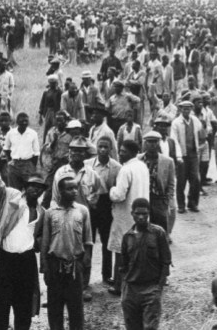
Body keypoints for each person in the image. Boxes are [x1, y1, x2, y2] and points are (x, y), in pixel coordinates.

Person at [0, 154, 46, 330]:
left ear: (43, 191)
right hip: (6, 259)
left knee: (24, 305)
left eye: (39, 188)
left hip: (26, 262)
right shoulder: (12, 197)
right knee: (1, 304)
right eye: (31, 186)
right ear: (25, 187)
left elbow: (40, 238)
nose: (35, 190)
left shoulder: (42, 212)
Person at [41, 175, 93, 330]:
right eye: (70, 188)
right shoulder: (50, 213)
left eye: (76, 188)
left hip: (75, 265)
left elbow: (88, 239)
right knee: (55, 306)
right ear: (60, 190)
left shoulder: (82, 211)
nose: (74, 192)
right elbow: (45, 242)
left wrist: (85, 263)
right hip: (55, 264)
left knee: (76, 307)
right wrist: (44, 266)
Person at [51, 137, 100, 301]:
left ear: (85, 153)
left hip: (84, 217)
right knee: (63, 248)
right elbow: (54, 196)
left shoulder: (91, 173)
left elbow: (97, 190)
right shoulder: (61, 172)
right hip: (64, 215)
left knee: (85, 249)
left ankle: (83, 286)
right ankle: (62, 286)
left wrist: (92, 200)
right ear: (69, 152)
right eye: (73, 150)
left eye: (80, 150)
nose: (76, 154)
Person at [120, 197, 171, 330]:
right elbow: (123, 265)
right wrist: (125, 289)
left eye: (145, 214)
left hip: (151, 289)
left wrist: (158, 288)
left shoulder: (158, 233)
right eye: (138, 214)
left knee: (150, 327)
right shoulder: (127, 237)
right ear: (132, 214)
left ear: (149, 214)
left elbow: (166, 261)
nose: (141, 217)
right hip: (131, 290)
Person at [108, 139, 150, 294]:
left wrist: (111, 189)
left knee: (121, 249)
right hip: (140, 212)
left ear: (133, 153)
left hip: (126, 214)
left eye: (123, 151)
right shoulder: (142, 166)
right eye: (120, 150)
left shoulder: (126, 170)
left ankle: (119, 285)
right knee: (136, 248)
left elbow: (118, 195)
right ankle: (134, 281)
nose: (120, 154)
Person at [84, 136, 121, 285]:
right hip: (90, 206)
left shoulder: (117, 167)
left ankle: (107, 275)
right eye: (100, 147)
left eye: (106, 147)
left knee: (107, 242)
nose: (103, 150)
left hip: (106, 206)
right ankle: (85, 277)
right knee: (88, 241)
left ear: (111, 149)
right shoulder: (87, 164)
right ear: (96, 148)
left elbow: (117, 189)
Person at [169, 100, 203, 213]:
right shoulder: (176, 123)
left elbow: (201, 132)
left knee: (196, 180)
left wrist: (200, 146)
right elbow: (174, 140)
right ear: (180, 109)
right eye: (184, 108)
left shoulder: (195, 120)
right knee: (181, 181)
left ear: (191, 109)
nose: (186, 110)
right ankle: (181, 205)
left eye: (188, 108)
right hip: (182, 156)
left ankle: (193, 203)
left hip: (193, 154)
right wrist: (178, 156)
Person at [139, 131, 176, 234]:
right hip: (143, 198)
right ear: (145, 143)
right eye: (149, 142)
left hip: (159, 199)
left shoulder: (168, 161)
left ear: (158, 143)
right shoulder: (138, 159)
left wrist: (167, 200)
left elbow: (171, 183)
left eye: (155, 142)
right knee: (143, 228)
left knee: (160, 229)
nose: (152, 144)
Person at [3, 112, 40, 190]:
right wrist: (9, 161)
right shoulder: (11, 133)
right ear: (17, 122)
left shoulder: (33, 134)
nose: (24, 123)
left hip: (28, 165)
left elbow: (36, 153)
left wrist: (32, 167)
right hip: (14, 165)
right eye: (22, 121)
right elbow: (6, 149)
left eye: (26, 121)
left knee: (29, 191)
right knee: (14, 192)